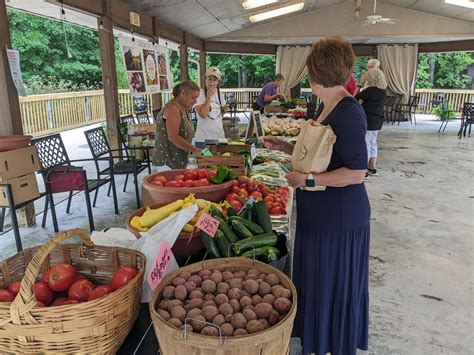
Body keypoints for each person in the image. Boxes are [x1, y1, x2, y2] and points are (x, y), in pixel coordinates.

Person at [262, 36, 370, 355]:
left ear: (314, 75)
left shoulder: (347, 111)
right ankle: (318, 339)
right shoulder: (329, 104)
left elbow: (356, 172)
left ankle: (333, 343)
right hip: (320, 217)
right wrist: (287, 147)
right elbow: (324, 152)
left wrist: (307, 179)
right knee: (319, 284)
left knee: (332, 285)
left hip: (338, 219)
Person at [153, 80, 202, 169]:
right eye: (193, 97)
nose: (195, 101)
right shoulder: (173, 108)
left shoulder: (184, 107)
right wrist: (195, 150)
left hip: (177, 160)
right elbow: (173, 137)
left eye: (197, 98)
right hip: (167, 163)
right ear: (182, 93)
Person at [355, 68, 387, 176]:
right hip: (378, 121)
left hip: (368, 120)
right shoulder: (383, 92)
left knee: (365, 144)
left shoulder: (369, 91)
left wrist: (360, 84)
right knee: (373, 143)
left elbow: (353, 98)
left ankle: (364, 170)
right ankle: (372, 167)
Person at [194, 67, 228, 148]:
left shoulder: (219, 93)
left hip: (219, 138)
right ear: (205, 80)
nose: (212, 82)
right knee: (205, 161)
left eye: (215, 80)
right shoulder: (199, 94)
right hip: (203, 140)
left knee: (220, 160)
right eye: (210, 79)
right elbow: (203, 114)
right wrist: (208, 97)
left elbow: (224, 108)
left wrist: (220, 110)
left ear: (218, 82)